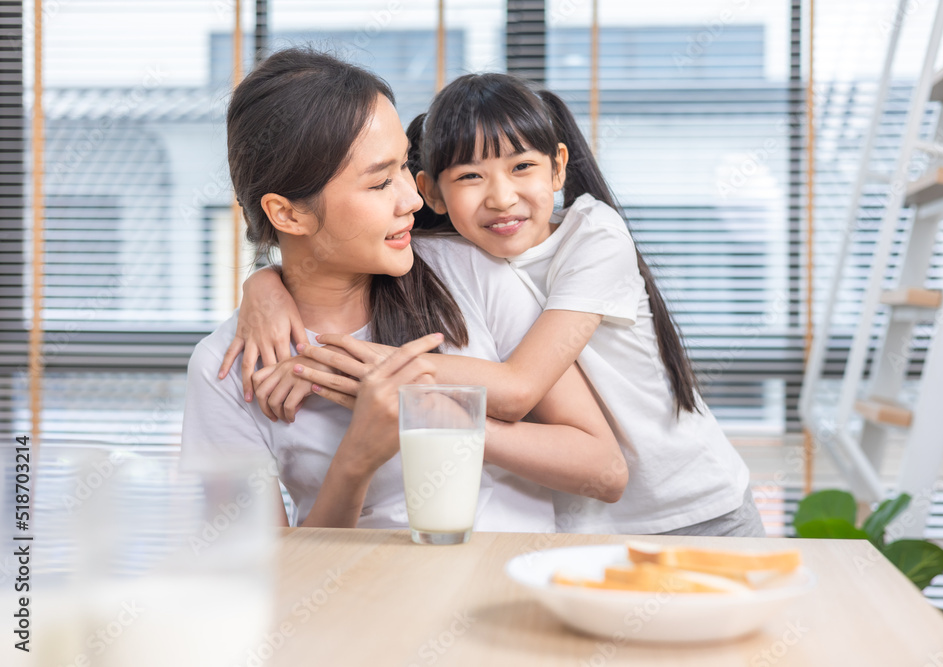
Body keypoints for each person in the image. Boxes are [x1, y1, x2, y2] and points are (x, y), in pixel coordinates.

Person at [225, 72, 763, 537]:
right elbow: (322, 255)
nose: (501, 197)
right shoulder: (458, 253)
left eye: (522, 167)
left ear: (558, 169)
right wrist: (265, 285)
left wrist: (381, 374)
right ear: (432, 193)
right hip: (589, 525)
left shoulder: (593, 236)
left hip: (695, 505)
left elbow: (520, 387)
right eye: (470, 177)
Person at [182, 49, 627, 530]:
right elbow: (259, 580)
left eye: (403, 168)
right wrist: (356, 459)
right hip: (367, 601)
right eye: (379, 184)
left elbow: (605, 471)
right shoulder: (227, 370)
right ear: (288, 214)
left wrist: (432, 412)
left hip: (511, 589)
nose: (413, 198)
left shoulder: (470, 270)